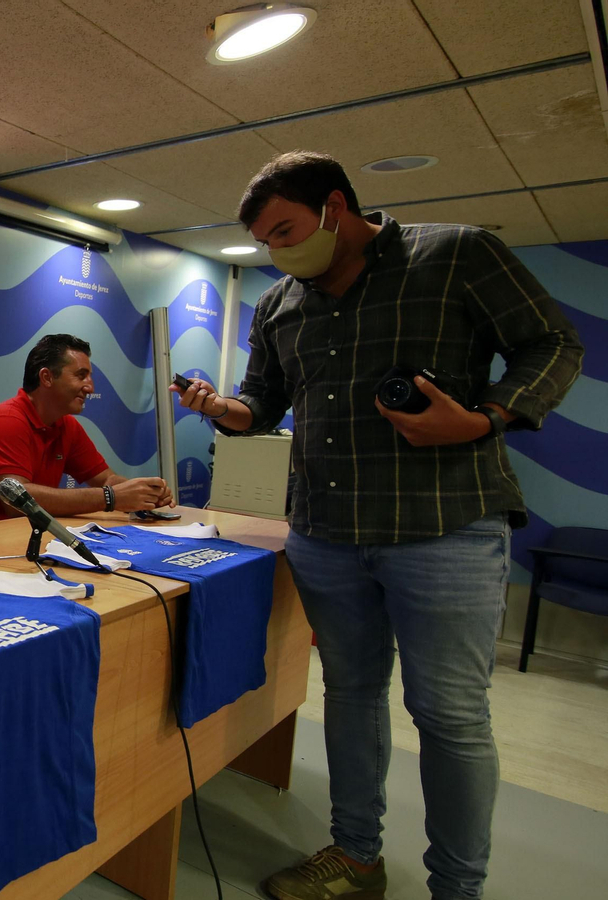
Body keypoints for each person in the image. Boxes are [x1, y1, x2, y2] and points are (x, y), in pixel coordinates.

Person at [174, 151, 583, 900]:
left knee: (449, 715)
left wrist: (486, 417)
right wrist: (216, 409)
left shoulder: (455, 253)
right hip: (327, 535)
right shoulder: (279, 305)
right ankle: (356, 858)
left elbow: (554, 343)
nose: (277, 252)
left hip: (446, 526)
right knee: (354, 694)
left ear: (336, 207)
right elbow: (258, 407)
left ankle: (457, 888)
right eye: (264, 242)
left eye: (285, 230)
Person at [0, 333, 172, 529]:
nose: (90, 387)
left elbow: (107, 479)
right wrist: (110, 497)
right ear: (46, 377)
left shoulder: (66, 426)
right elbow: (16, 501)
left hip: (26, 542)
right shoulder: (5, 421)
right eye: (81, 375)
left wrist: (146, 494)